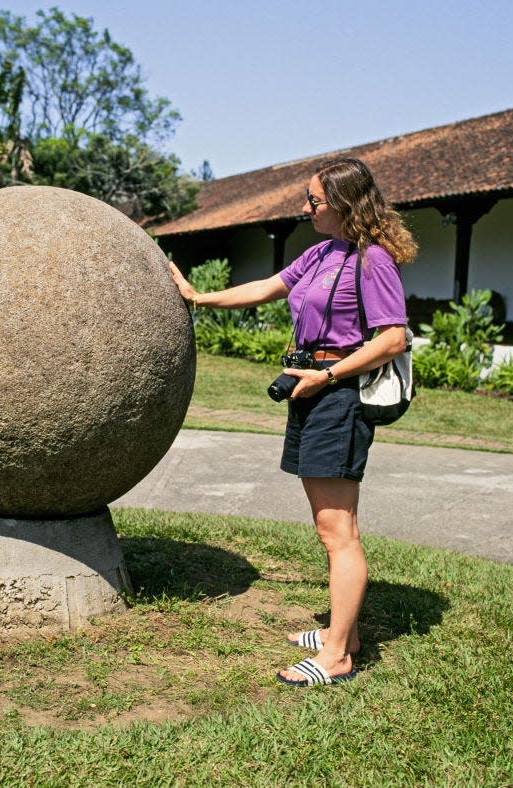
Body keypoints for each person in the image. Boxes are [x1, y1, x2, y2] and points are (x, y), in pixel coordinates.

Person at [168, 157, 417, 687]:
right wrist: (198, 297)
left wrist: (327, 379)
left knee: (338, 532)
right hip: (310, 387)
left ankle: (339, 657)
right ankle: (341, 634)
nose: (305, 208)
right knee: (328, 526)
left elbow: (393, 338)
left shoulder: (372, 262)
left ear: (346, 205)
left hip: (338, 395)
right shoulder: (321, 252)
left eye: (315, 201)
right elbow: (265, 286)